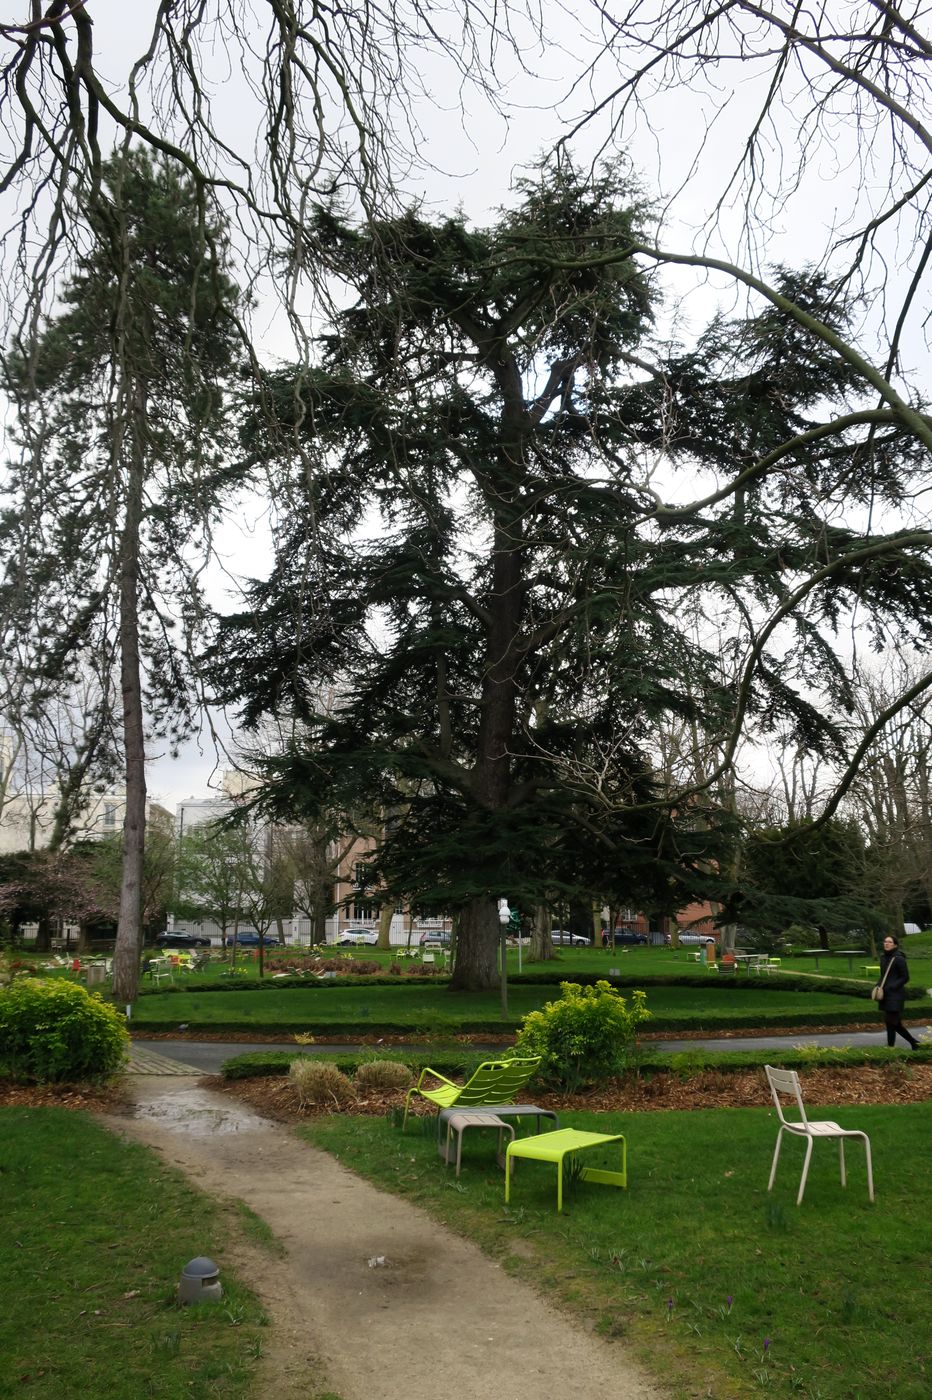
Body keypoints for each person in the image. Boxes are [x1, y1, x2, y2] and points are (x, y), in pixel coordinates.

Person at [876, 934, 920, 1049]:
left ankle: (905, 1044)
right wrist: (878, 985)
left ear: (895, 945)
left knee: (891, 1022)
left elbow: (905, 977)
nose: (886, 943)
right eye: (885, 941)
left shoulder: (899, 958)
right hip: (885, 995)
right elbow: (883, 975)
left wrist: (891, 986)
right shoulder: (883, 957)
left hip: (895, 995)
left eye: (889, 942)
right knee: (893, 1023)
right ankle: (913, 1044)